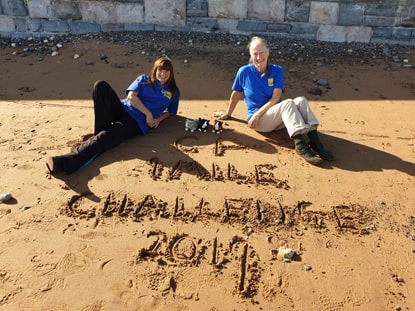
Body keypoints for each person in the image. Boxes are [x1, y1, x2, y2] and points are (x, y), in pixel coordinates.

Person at [46, 57, 180, 175]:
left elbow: (170, 111)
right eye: (160, 70)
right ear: (155, 70)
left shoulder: (173, 92)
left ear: (171, 73)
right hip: (123, 108)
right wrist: (149, 114)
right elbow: (131, 97)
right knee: (100, 86)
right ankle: (100, 136)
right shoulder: (144, 80)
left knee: (106, 136)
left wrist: (158, 119)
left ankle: (64, 162)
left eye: (166, 71)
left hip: (136, 122)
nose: (163, 73)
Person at [217, 36, 333, 165]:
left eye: (262, 53)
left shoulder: (277, 70)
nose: (259, 57)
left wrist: (258, 114)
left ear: (268, 52)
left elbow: (275, 98)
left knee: (301, 100)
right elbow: (236, 93)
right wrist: (228, 114)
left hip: (278, 117)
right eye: (255, 54)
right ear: (250, 55)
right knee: (288, 103)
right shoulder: (244, 72)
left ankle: (315, 141)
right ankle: (301, 146)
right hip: (260, 122)